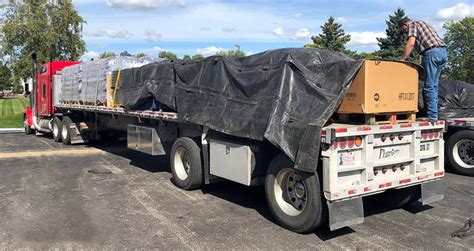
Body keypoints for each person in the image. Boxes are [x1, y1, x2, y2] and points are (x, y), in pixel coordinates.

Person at [399, 17, 448, 121]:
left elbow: (411, 43)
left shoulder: (412, 25)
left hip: (431, 53)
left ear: (405, 25)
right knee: (434, 85)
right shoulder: (424, 23)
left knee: (429, 86)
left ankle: (433, 117)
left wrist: (402, 60)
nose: (405, 33)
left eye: (403, 31)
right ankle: (435, 113)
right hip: (442, 52)